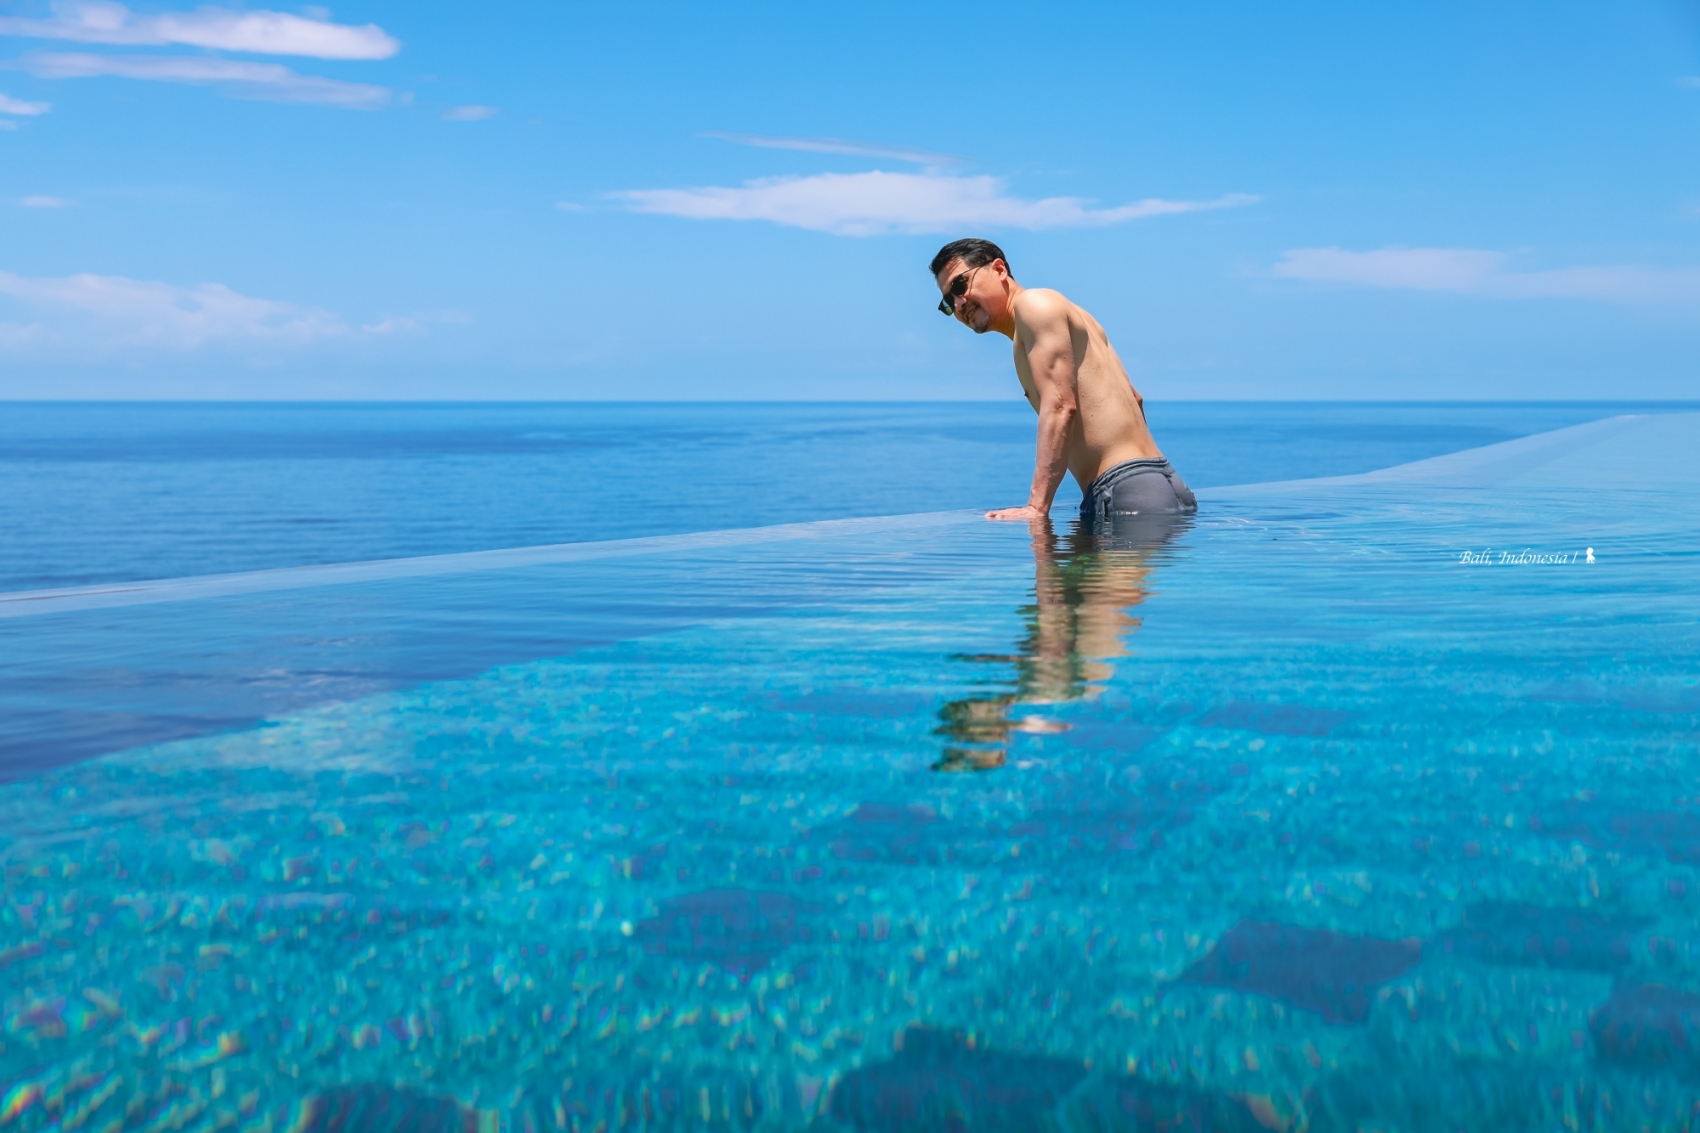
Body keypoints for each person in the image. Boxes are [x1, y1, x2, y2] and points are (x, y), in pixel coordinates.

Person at [930, 238, 1197, 522]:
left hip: (1125, 488)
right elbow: (1135, 399)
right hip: (1158, 480)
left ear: (999, 270)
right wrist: (1147, 481)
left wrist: (1036, 507)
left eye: (960, 285)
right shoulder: (1076, 317)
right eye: (948, 302)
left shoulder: (1034, 305)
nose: (958, 303)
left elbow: (1059, 406)